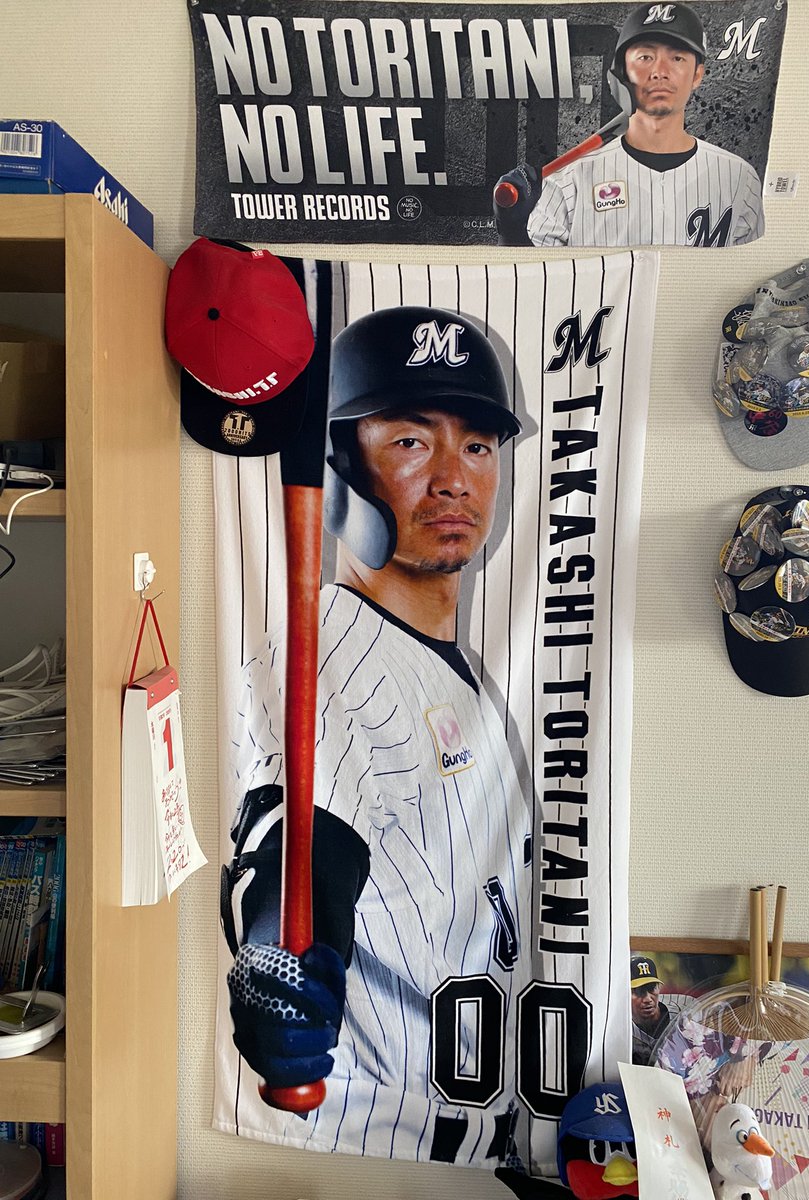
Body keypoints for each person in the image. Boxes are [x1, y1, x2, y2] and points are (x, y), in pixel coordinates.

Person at [221, 305, 534, 1166]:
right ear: (342, 472)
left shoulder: (446, 660)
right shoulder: (336, 655)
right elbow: (302, 842)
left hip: (479, 1121)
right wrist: (280, 958)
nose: (454, 479)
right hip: (392, 1144)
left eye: (478, 446)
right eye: (410, 441)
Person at [494, 2, 764, 249]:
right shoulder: (568, 181)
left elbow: (752, 271)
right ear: (622, 72)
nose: (660, 71)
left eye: (677, 58)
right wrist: (512, 233)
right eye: (645, 57)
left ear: (697, 75)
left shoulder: (739, 178)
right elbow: (532, 277)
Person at [630, 955, 672, 1066]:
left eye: (651, 988)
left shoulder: (683, 1009)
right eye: (638, 991)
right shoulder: (618, 1029)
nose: (648, 999)